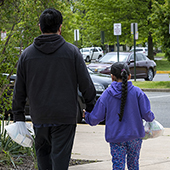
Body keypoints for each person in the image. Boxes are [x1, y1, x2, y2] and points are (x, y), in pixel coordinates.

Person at [12, 8, 96, 170]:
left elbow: (19, 89)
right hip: (65, 117)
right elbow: (85, 82)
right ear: (60, 27)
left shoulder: (27, 55)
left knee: (43, 158)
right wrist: (91, 106)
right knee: (60, 160)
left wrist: (19, 116)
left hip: (39, 115)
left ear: (39, 27)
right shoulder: (72, 52)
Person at [84, 62, 155, 170]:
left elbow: (95, 118)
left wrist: (86, 116)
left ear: (112, 77)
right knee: (134, 165)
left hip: (116, 137)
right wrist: (151, 117)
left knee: (118, 166)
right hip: (135, 136)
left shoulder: (107, 94)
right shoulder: (137, 92)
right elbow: (147, 115)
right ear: (129, 76)